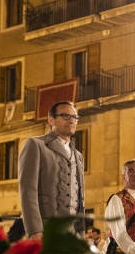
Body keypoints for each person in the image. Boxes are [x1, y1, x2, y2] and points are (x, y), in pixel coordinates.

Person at [18, 101, 85, 240]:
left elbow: (80, 199)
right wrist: (35, 231)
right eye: (66, 116)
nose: (72, 120)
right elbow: (28, 191)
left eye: (75, 117)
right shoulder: (36, 145)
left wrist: (81, 235)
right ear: (51, 119)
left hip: (73, 235)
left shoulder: (78, 156)